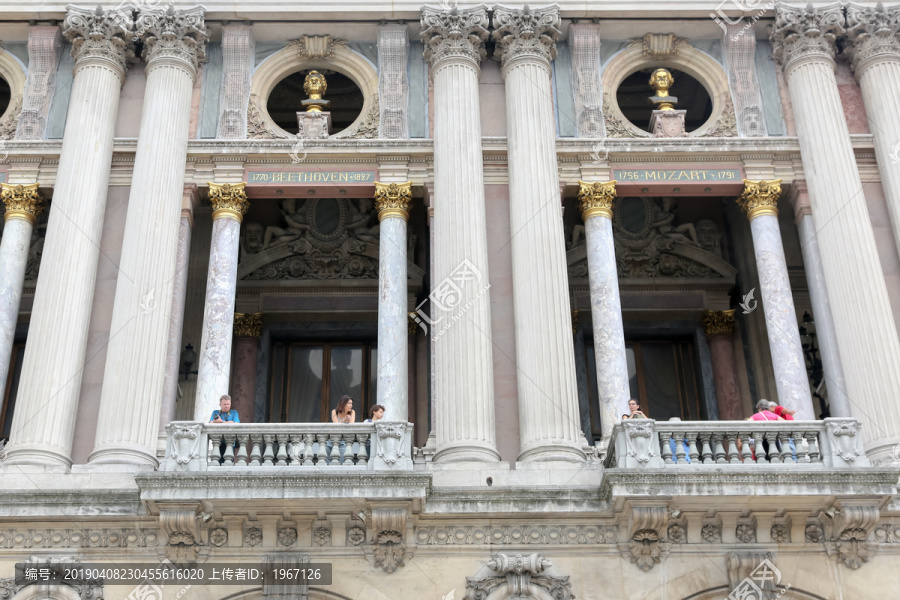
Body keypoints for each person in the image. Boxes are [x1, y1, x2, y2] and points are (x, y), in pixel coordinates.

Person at [326, 395, 356, 464]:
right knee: (326, 457)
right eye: (349, 403)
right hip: (332, 438)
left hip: (344, 439)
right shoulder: (334, 411)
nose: (351, 405)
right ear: (343, 403)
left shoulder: (352, 412)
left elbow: (352, 425)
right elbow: (335, 424)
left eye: (351, 403)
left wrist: (349, 420)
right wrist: (344, 420)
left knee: (342, 459)